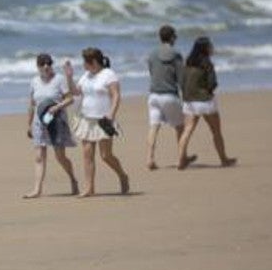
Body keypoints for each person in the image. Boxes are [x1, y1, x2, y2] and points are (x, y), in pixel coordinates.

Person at [64, 48, 130, 197]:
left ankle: (122, 175)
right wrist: (69, 77)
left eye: (85, 62)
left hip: (103, 120)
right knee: (87, 155)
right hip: (86, 119)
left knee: (106, 156)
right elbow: (75, 92)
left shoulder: (108, 74)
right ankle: (89, 188)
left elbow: (116, 95)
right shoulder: (86, 76)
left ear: (93, 62)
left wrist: (111, 115)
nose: (83, 65)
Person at [23, 53, 79, 198]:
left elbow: (70, 99)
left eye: (48, 63)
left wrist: (57, 107)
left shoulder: (59, 79)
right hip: (39, 122)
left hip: (57, 120)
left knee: (60, 156)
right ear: (38, 67)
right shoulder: (34, 81)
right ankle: (37, 189)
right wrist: (29, 125)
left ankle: (73, 179)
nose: (46, 66)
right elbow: (31, 104)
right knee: (39, 156)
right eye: (42, 64)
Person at [177, 37, 237, 169]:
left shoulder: (187, 63)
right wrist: (207, 91)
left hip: (189, 102)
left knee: (187, 131)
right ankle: (224, 159)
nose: (212, 48)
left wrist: (187, 96)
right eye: (210, 46)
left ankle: (181, 160)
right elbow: (212, 83)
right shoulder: (207, 63)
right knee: (216, 131)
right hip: (205, 101)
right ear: (206, 48)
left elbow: (181, 83)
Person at [145, 25, 195, 170]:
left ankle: (149, 159)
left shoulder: (152, 54)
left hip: (153, 96)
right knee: (180, 127)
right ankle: (182, 158)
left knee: (154, 127)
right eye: (175, 37)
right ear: (172, 37)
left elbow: (151, 72)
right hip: (169, 95)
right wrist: (187, 96)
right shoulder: (176, 54)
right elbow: (181, 78)